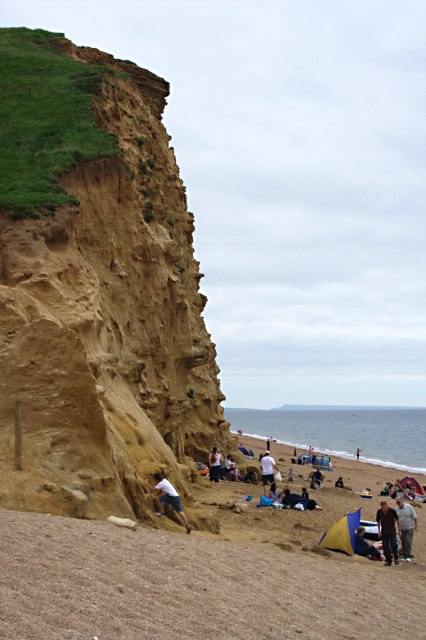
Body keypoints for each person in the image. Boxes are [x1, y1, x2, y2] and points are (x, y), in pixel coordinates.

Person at [376, 500, 400, 565]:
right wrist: (379, 531)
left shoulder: (392, 511)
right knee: (385, 546)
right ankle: (388, 561)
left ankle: (396, 558)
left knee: (394, 544)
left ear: (387, 505)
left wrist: (399, 529)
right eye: (382, 507)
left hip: (392, 531)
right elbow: (378, 521)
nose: (383, 508)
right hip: (384, 532)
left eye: (384, 506)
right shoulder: (379, 512)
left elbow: (397, 519)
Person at [396, 496, 418, 562]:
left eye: (399, 502)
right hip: (402, 529)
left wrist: (416, 526)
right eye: (397, 502)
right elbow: (397, 520)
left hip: (409, 528)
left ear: (402, 501)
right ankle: (405, 556)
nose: (398, 503)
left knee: (408, 541)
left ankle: (408, 556)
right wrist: (398, 529)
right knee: (403, 542)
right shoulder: (397, 509)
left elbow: (415, 517)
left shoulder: (409, 507)